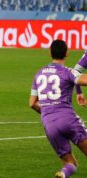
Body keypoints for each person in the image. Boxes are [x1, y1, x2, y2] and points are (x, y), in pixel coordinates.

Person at [29, 39, 87, 178]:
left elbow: (32, 103)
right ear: (67, 53)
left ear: (50, 52)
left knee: (70, 163)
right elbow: (82, 80)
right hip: (68, 119)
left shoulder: (39, 74)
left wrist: (49, 111)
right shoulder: (67, 72)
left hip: (49, 123)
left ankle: (63, 173)